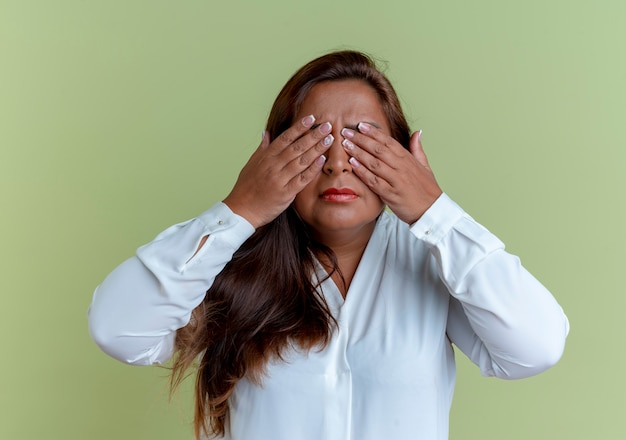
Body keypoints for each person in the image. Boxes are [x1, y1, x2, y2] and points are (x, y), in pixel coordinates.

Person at [88, 50, 569, 440]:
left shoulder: (435, 260)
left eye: (363, 141)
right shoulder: (225, 260)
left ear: (402, 156)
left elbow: (534, 347)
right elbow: (118, 329)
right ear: (274, 153)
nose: (338, 163)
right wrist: (240, 211)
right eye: (315, 140)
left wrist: (435, 213)